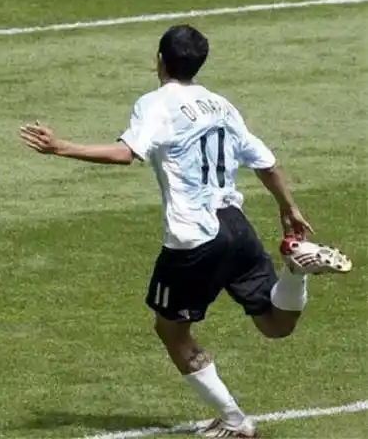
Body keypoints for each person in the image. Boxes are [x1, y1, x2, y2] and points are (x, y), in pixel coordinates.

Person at [19, 25, 352, 438]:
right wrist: (289, 207)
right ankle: (295, 271)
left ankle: (234, 421)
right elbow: (266, 162)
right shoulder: (221, 105)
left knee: (171, 330)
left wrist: (61, 147)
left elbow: (127, 153)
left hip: (194, 238)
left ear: (159, 59)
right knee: (275, 325)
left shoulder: (156, 103)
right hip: (235, 224)